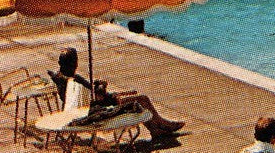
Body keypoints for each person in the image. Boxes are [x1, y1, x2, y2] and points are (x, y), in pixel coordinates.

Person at [51, 47, 183, 136]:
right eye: (75, 61)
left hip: (92, 108)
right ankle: (163, 125)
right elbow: (98, 97)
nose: (76, 64)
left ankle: (156, 127)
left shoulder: (62, 78)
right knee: (142, 100)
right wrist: (102, 87)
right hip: (104, 110)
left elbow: (89, 93)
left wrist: (98, 88)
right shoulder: (74, 80)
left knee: (141, 100)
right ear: (73, 63)